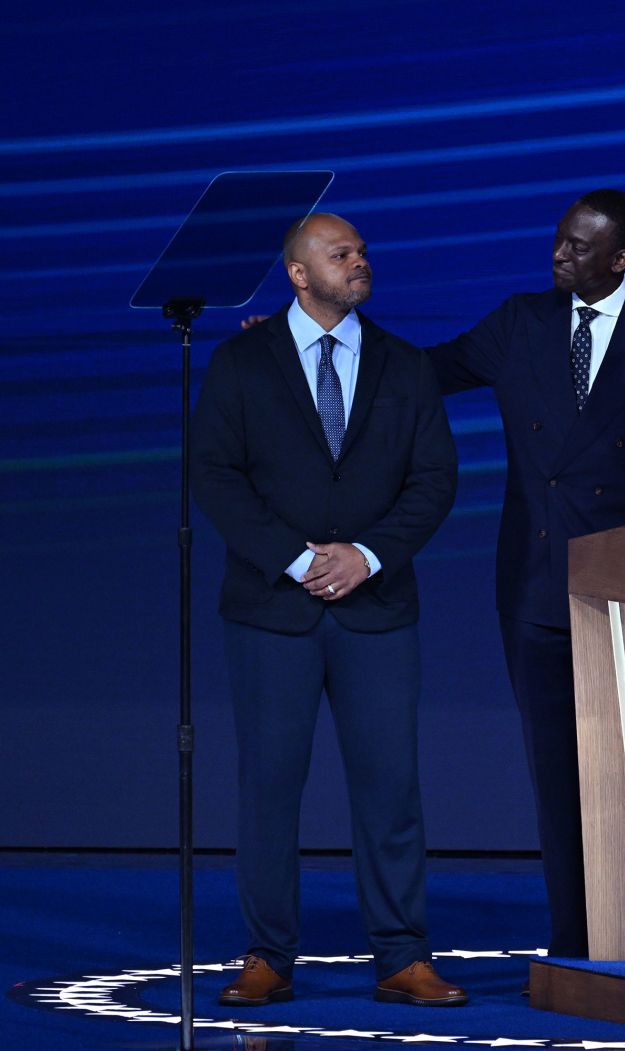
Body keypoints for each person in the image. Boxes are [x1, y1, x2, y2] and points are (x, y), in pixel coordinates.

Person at [423, 191, 625, 959]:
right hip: (535, 584)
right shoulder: (519, 323)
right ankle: (576, 945)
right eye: (559, 241)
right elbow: (419, 372)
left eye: (576, 246)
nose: (558, 255)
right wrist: (313, 348)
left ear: (619, 259)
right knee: (558, 775)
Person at [192, 213, 466, 1007]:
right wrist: (297, 556)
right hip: (270, 609)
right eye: (340, 254)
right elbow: (215, 475)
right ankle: (268, 954)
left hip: (377, 610)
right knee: (268, 787)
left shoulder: (405, 366)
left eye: (363, 251)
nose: (359, 262)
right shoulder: (241, 361)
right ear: (298, 274)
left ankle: (403, 956)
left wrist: (367, 555)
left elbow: (434, 479)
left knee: (391, 788)